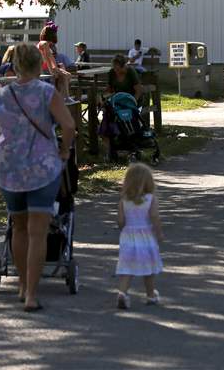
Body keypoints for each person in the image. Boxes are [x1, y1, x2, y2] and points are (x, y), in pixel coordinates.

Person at [0, 42, 75, 312]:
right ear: (39, 64)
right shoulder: (46, 92)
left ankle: (20, 286)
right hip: (42, 167)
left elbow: (1, 125)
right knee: (37, 232)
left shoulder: (3, 94)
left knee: (18, 227)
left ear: (15, 66)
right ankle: (30, 294)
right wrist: (64, 150)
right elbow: (69, 124)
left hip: (10, 168)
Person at [116, 163, 163, 309]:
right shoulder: (150, 199)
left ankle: (122, 293)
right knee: (148, 268)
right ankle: (150, 295)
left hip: (128, 237)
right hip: (146, 237)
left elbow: (121, 221)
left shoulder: (124, 201)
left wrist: (125, 227)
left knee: (127, 268)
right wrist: (159, 232)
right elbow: (154, 216)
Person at [100, 54, 144, 155]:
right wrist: (103, 97)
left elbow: (138, 90)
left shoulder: (131, 72)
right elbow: (109, 89)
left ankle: (131, 142)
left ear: (124, 66)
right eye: (114, 68)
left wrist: (133, 104)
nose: (116, 71)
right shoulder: (112, 73)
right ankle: (113, 146)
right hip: (118, 101)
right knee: (109, 116)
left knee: (130, 118)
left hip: (131, 100)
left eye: (118, 68)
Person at [37, 21, 72, 101]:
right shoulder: (44, 43)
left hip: (47, 68)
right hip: (42, 69)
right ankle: (65, 97)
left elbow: (51, 58)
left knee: (68, 75)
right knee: (64, 76)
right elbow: (47, 58)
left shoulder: (48, 44)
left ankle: (63, 97)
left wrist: (56, 68)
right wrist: (53, 71)